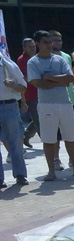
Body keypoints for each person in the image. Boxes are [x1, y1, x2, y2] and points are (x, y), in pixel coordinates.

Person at [27, 30, 74, 181]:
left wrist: (48, 77)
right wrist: (57, 81)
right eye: (45, 42)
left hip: (65, 103)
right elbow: (38, 83)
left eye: (50, 42)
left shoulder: (60, 59)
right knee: (49, 139)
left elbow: (69, 79)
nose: (49, 45)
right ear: (37, 43)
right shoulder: (33, 62)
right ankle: (51, 171)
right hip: (46, 104)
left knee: (70, 137)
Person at [0, 53, 29, 188]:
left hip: (9, 106)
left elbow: (23, 87)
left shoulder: (9, 65)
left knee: (15, 143)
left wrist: (13, 85)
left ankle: (20, 175)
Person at [17, 38, 38, 148]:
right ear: (24, 48)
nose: (32, 48)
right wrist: (23, 100)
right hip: (30, 94)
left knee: (39, 117)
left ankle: (26, 135)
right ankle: (50, 146)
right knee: (39, 120)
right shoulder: (21, 60)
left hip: (41, 91)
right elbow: (23, 78)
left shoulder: (37, 57)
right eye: (29, 47)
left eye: (34, 46)